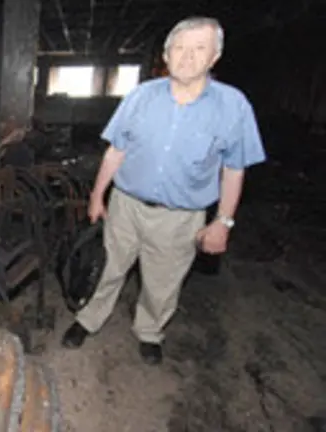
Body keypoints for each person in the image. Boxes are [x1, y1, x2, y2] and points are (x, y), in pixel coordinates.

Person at [61, 16, 267, 365]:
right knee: (108, 266)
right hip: (126, 205)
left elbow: (234, 169)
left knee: (163, 281)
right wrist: (97, 195)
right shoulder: (141, 96)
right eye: (179, 48)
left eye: (199, 48)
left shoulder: (233, 106)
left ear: (214, 56)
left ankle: (150, 331)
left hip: (180, 217)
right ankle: (88, 319)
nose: (187, 56)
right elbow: (116, 151)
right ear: (167, 55)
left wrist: (223, 222)